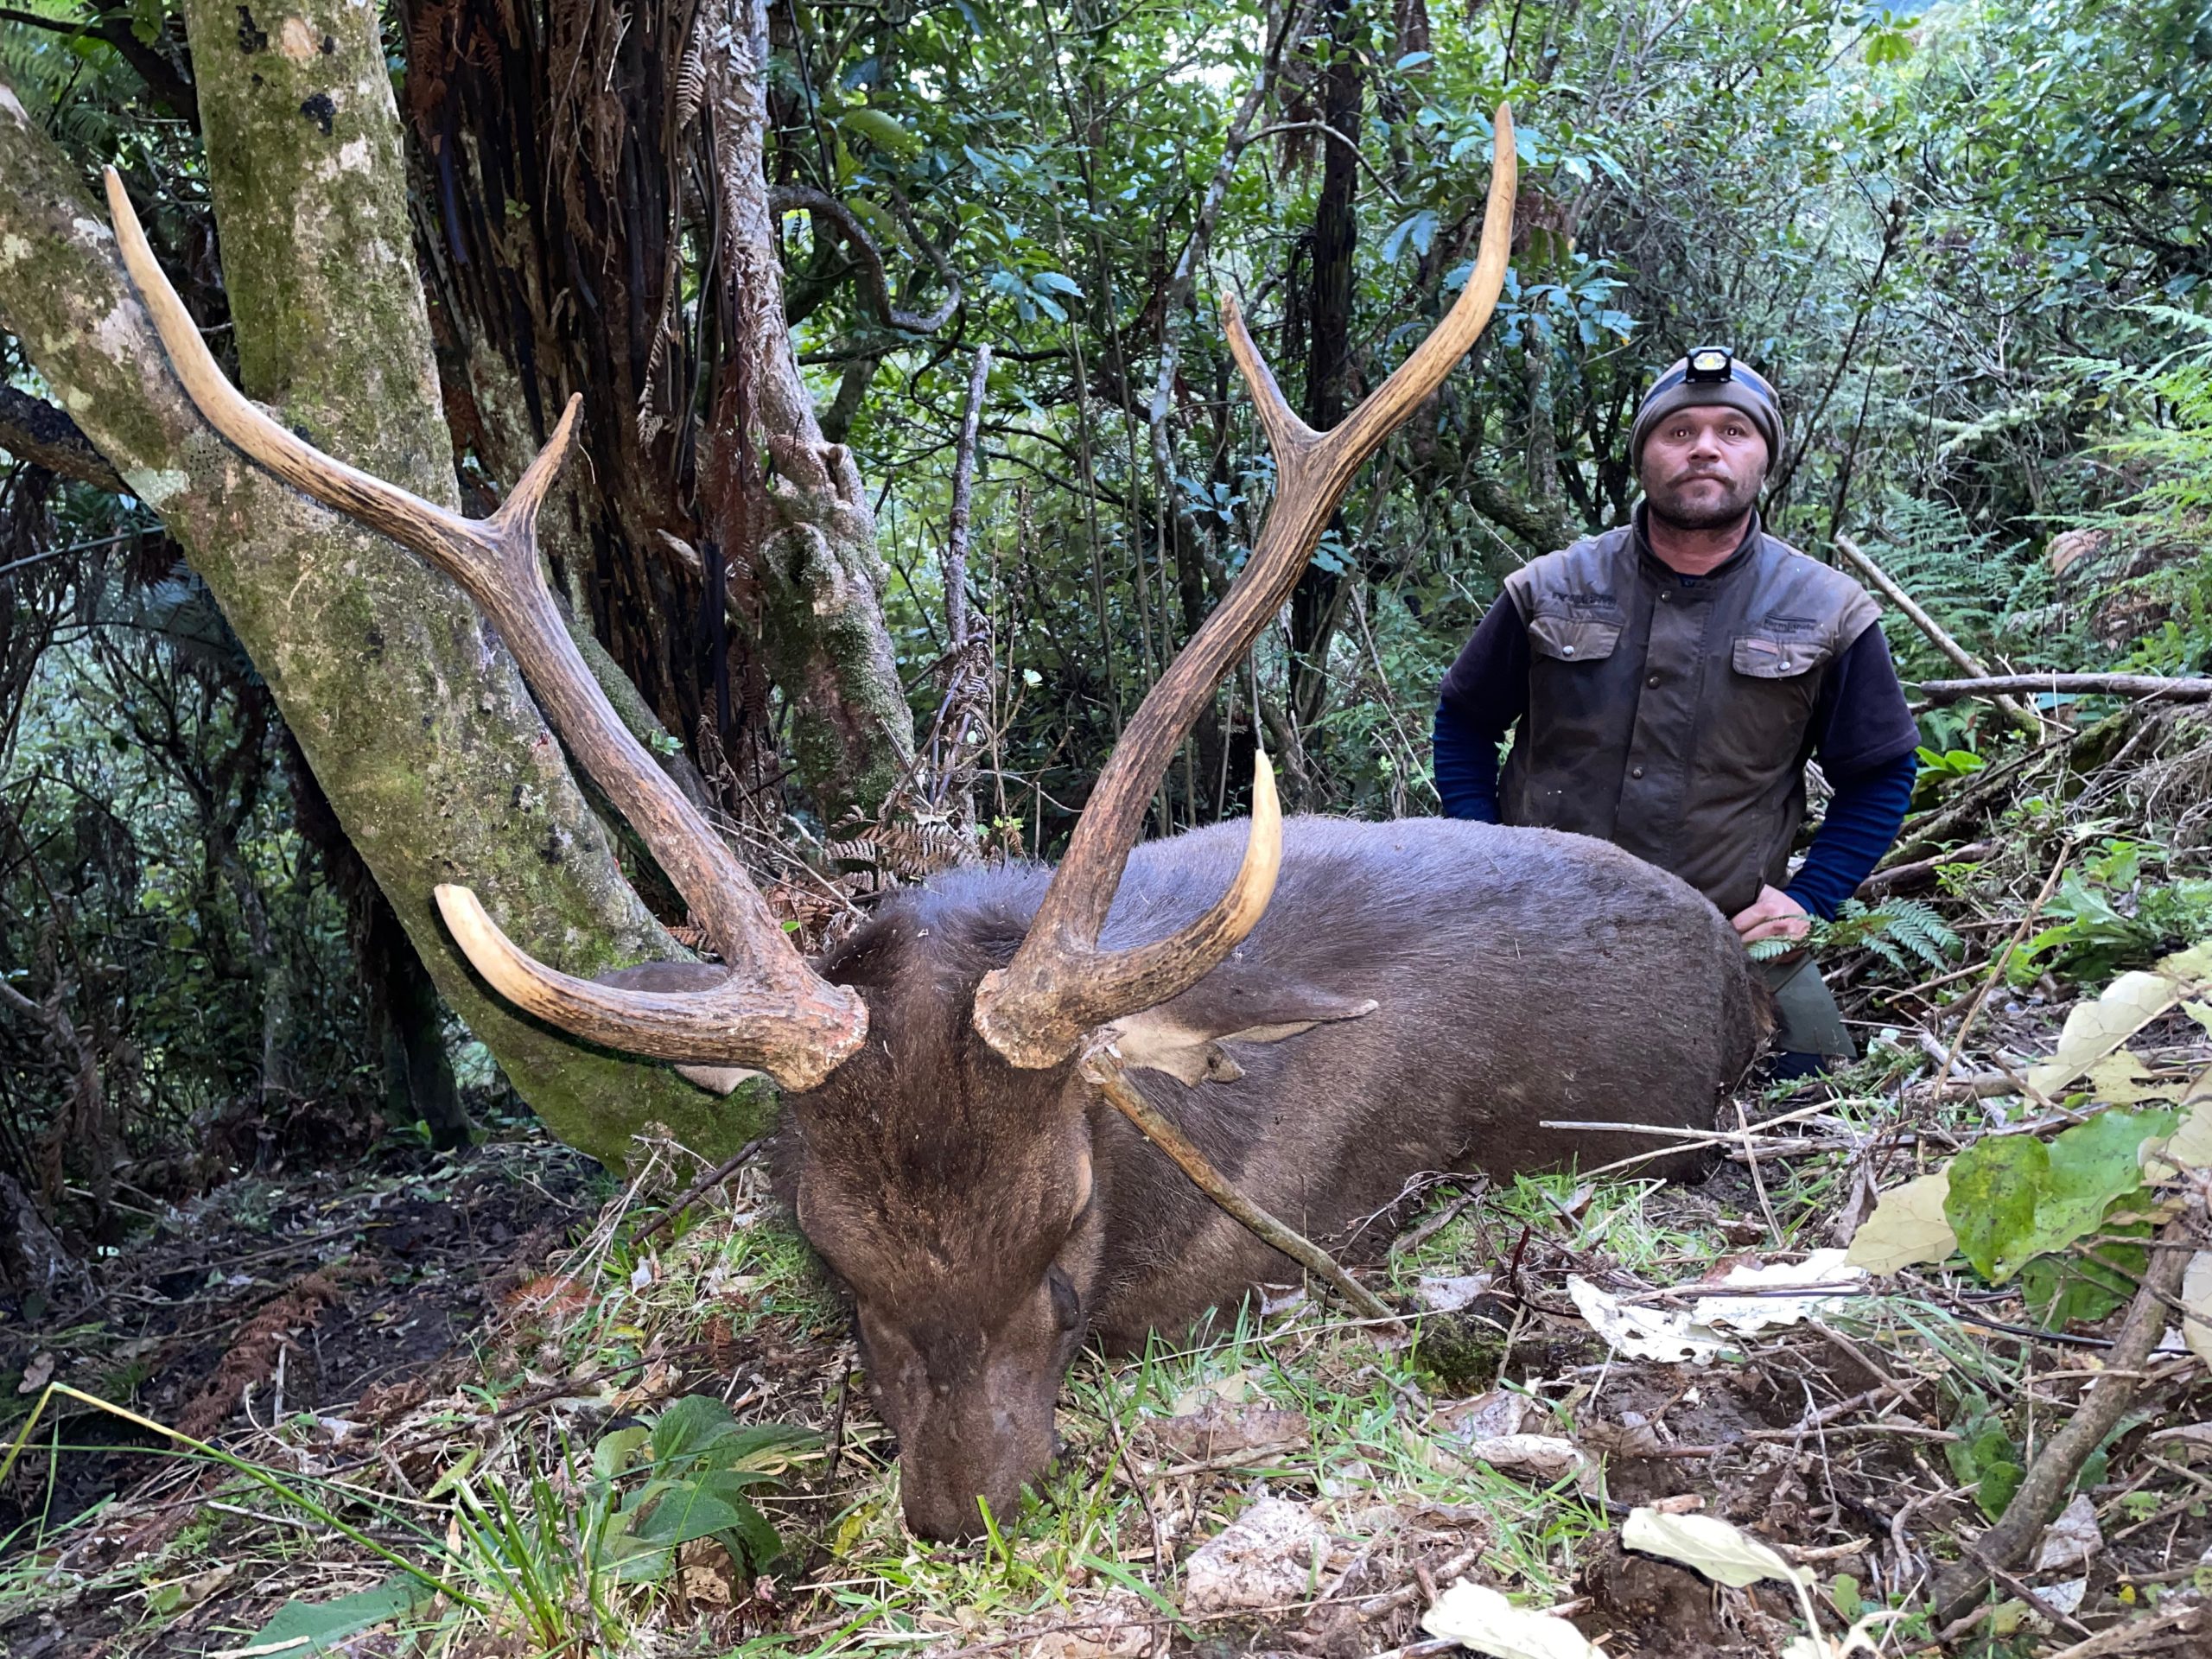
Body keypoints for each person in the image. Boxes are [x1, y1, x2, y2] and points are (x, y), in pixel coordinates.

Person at [1432, 347, 1920, 1077]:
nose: (1705, 450)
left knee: (1810, 1111)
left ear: (1763, 458)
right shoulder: (1550, 589)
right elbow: (1464, 721)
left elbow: (1881, 773)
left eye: (1732, 432)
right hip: (1533, 933)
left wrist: (1807, 901)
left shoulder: (1828, 612)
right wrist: (1485, 862)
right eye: (1680, 431)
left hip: (1728, 940)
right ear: (1646, 455)